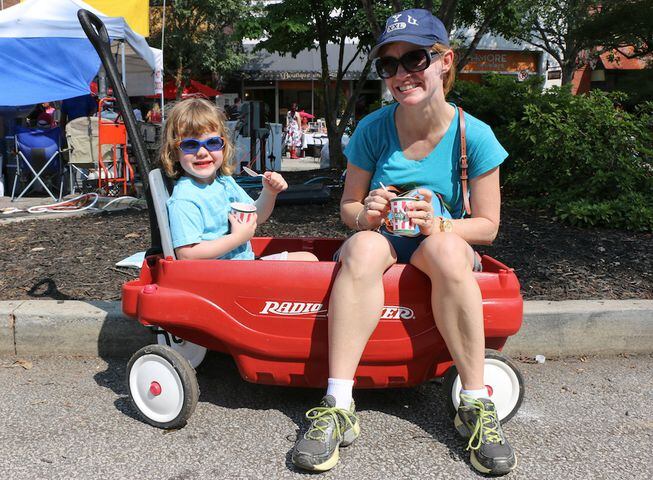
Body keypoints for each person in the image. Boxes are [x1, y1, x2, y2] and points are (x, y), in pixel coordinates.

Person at [291, 9, 515, 476]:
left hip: (441, 244)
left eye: (414, 58)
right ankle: (338, 401)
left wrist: (442, 224)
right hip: (387, 243)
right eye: (388, 65)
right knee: (361, 247)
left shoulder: (474, 135)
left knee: (450, 250)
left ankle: (475, 403)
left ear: (445, 61)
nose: (401, 74)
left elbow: (488, 226)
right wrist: (366, 214)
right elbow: (349, 211)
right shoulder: (374, 129)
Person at [160, 98, 317, 262]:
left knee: (308, 258)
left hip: (243, 267)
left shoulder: (224, 182)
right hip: (221, 278)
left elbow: (256, 215)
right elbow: (187, 255)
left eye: (212, 143)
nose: (202, 152)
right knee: (309, 264)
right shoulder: (185, 198)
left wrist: (269, 193)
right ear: (174, 152)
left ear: (223, 146)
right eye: (191, 145)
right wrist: (237, 238)